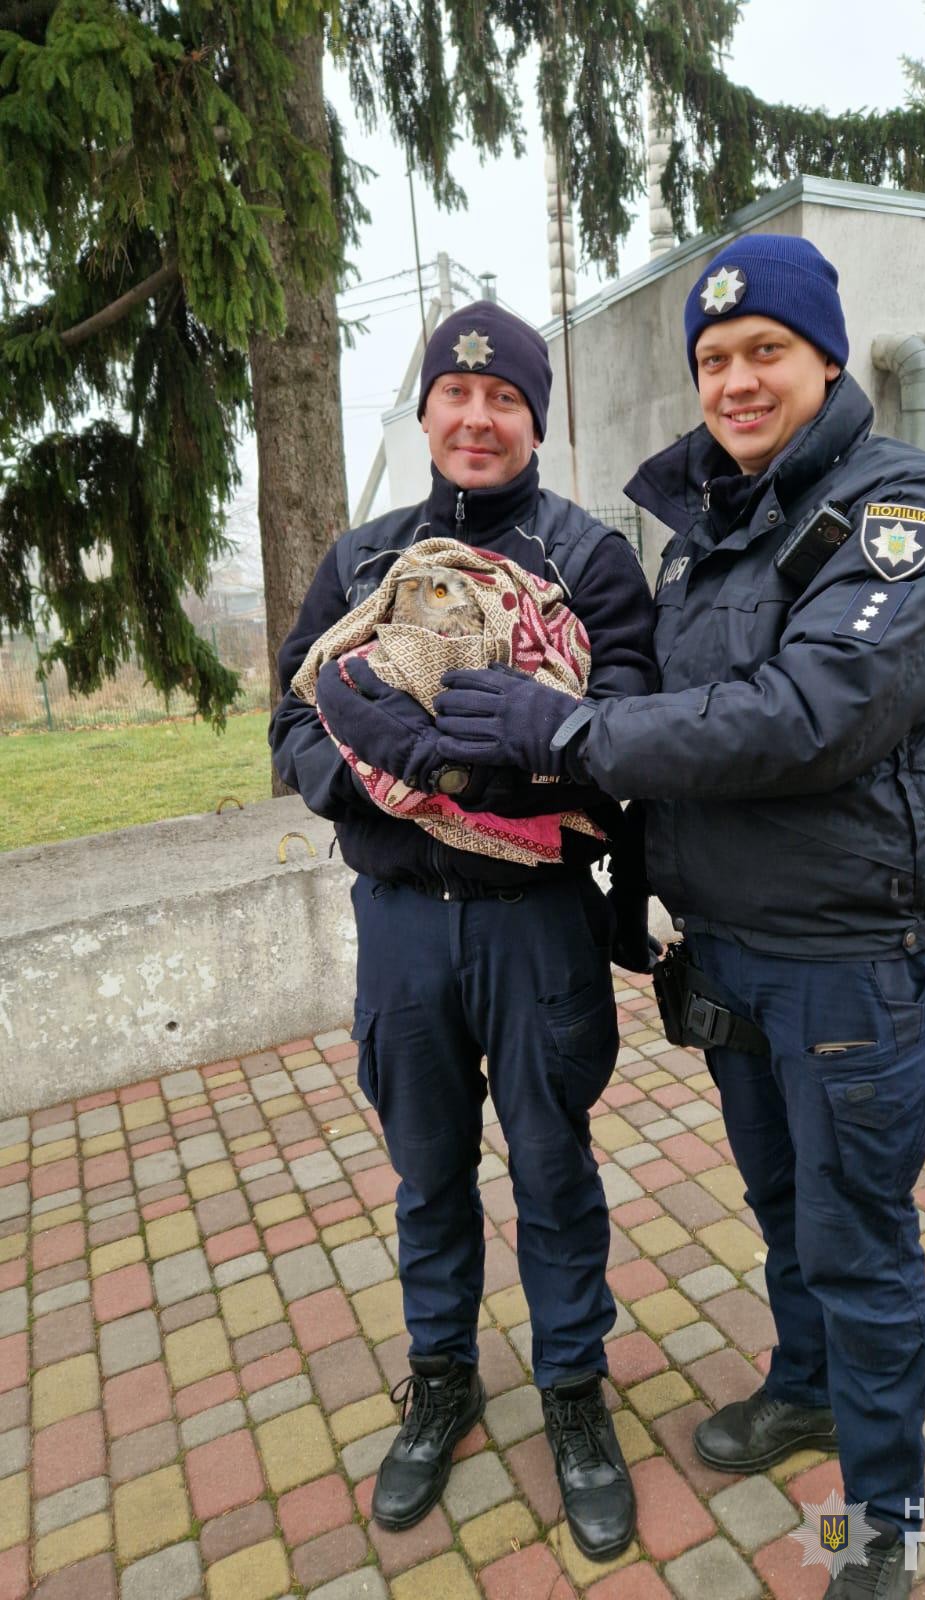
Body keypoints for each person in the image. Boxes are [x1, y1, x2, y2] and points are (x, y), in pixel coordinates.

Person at [431, 236, 925, 1600]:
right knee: (782, 1204)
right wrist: (634, 878)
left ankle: (884, 1517)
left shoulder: (903, 512)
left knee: (860, 1238)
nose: (736, 383)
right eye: (714, 362)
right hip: (731, 948)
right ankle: (804, 1388)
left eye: (764, 355)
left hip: (852, 956)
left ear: (825, 358)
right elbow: (677, 734)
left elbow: (810, 717)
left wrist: (569, 729)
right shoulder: (713, 534)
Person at [269, 302, 657, 1561]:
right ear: (427, 409)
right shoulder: (365, 558)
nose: (478, 419)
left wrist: (500, 769)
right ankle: (441, 1379)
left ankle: (574, 1395)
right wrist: (366, 778)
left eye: (505, 400)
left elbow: (629, 734)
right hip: (403, 934)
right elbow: (291, 715)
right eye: (456, 396)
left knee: (553, 1174)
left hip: (536, 925)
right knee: (428, 1176)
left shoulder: (588, 562)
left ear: (533, 417)